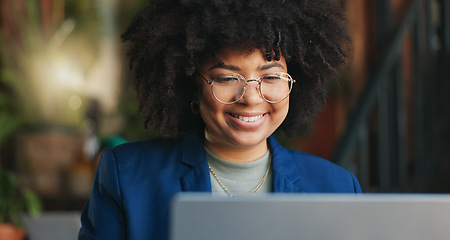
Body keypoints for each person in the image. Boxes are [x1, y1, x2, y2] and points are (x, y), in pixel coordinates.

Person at [79, 0, 362, 239]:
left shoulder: (337, 188)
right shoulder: (126, 178)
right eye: (227, 77)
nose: (251, 97)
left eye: (271, 76)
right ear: (191, 86)